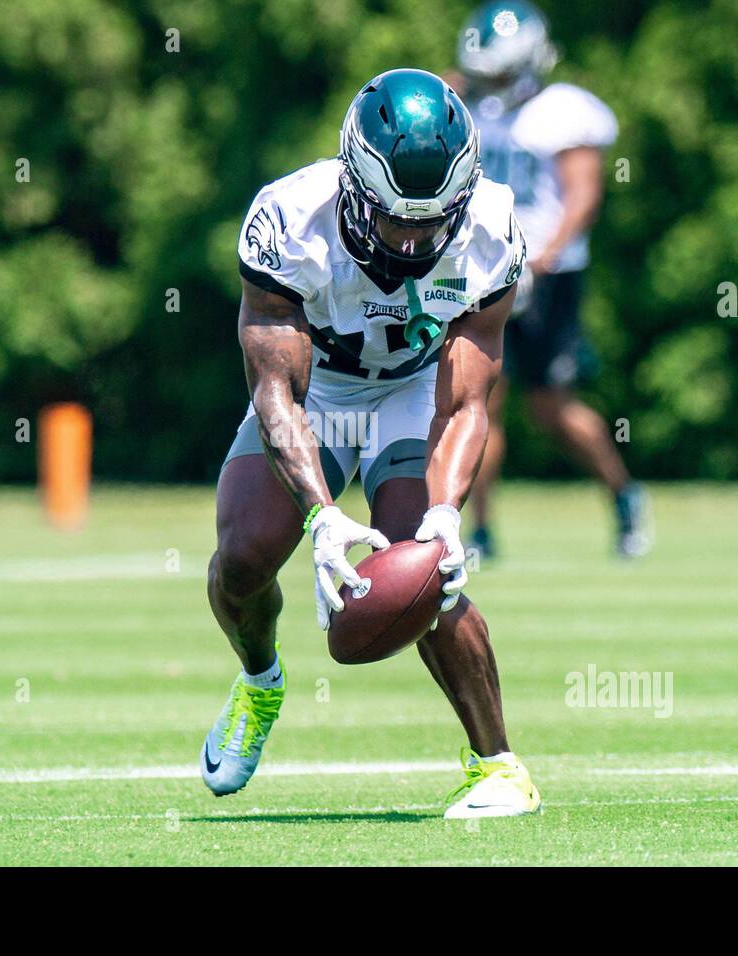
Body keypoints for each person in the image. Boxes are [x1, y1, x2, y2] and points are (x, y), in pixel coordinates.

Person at [202, 68, 540, 818]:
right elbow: (276, 394)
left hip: (413, 391)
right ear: (355, 188)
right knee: (245, 558)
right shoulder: (290, 220)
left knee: (430, 571)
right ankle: (260, 682)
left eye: (433, 221)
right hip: (319, 392)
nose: (417, 239)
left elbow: (468, 398)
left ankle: (501, 768)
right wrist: (322, 520)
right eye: (397, 222)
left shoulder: (490, 227)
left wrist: (447, 515)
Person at [454, 1, 651, 559]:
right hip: (484, 273)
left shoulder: (562, 111)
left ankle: (624, 495)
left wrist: (544, 255)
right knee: (477, 402)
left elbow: (584, 194)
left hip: (548, 276)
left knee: (551, 409)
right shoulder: (471, 104)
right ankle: (478, 533)